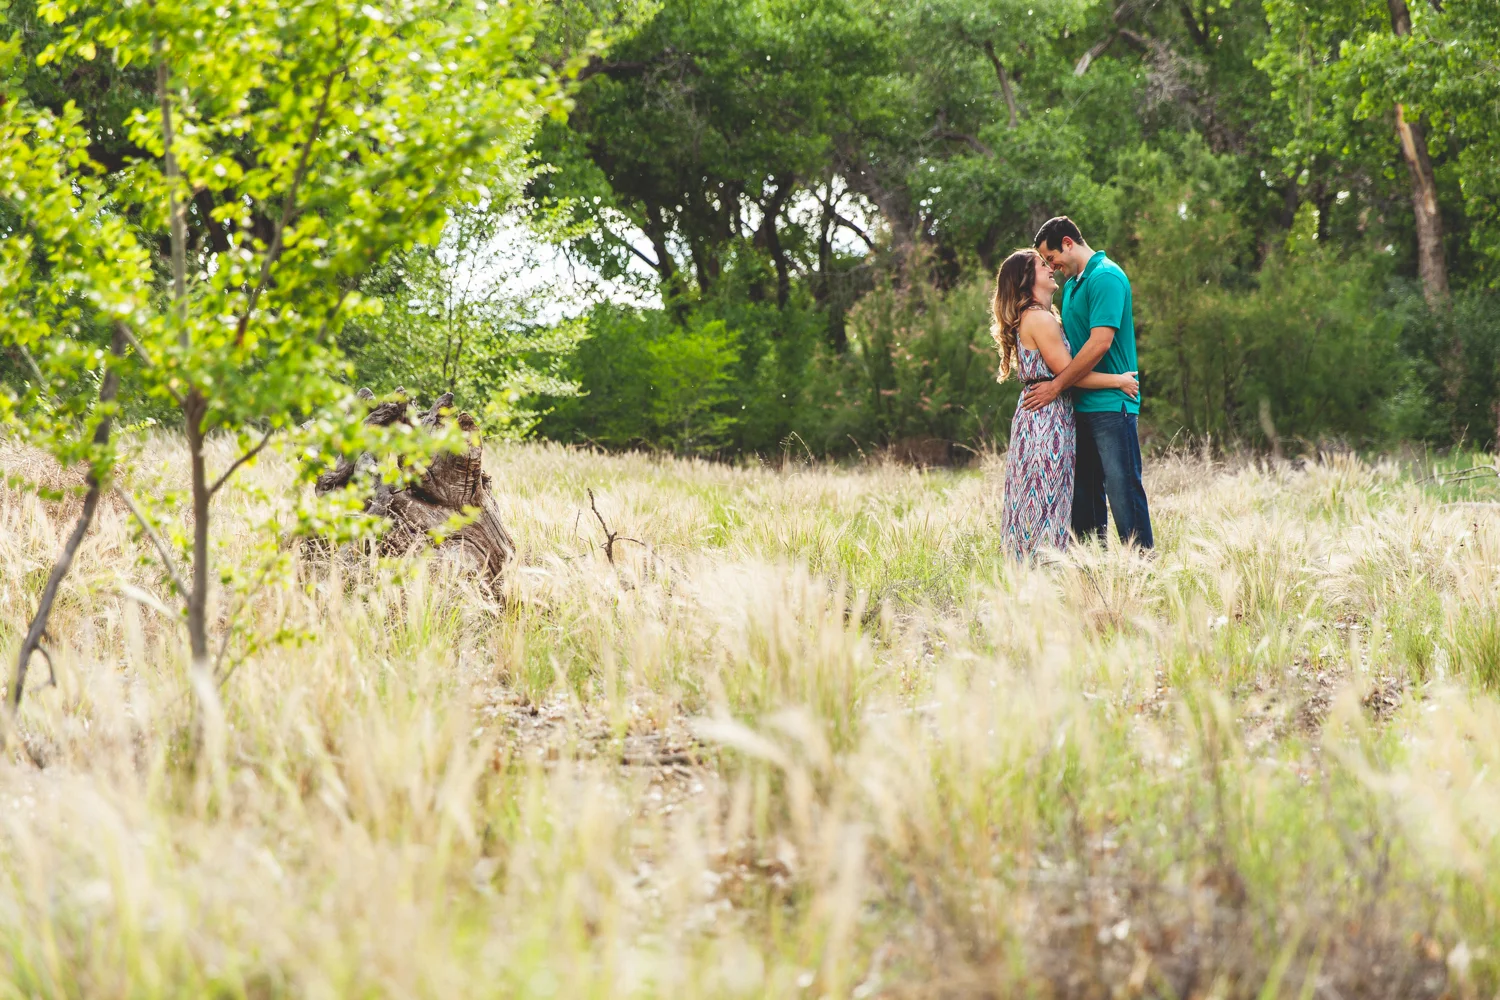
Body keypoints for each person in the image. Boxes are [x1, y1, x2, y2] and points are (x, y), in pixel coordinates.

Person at [994, 248, 1139, 561]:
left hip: (1045, 415)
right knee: (1044, 497)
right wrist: (1118, 380)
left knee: (1045, 498)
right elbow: (1069, 373)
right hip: (1045, 421)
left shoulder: (1041, 315)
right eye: (1041, 265)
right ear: (1026, 279)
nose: (1049, 269)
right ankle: (1041, 573)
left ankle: (1036, 574)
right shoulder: (1040, 319)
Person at [1022, 217, 1155, 550]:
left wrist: (1055, 386)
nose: (1052, 267)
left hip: (1111, 405)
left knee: (1123, 493)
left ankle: (1141, 575)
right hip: (1077, 408)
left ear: (1068, 243)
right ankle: (1093, 579)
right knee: (1084, 503)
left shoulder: (1106, 276)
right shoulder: (1072, 288)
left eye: (1052, 259)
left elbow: (1100, 343)